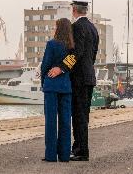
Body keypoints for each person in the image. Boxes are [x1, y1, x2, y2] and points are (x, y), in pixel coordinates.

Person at [48, 0, 99, 161]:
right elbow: (92, 55)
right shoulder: (93, 28)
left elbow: (76, 53)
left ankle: (81, 151)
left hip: (79, 79)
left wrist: (61, 68)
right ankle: (80, 149)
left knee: (78, 116)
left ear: (74, 10)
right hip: (89, 77)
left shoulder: (76, 27)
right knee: (83, 115)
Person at [41, 18, 74, 162]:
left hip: (51, 87)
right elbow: (71, 65)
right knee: (66, 121)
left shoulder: (51, 44)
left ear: (58, 28)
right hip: (65, 87)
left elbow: (45, 65)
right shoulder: (72, 47)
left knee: (51, 121)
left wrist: (44, 81)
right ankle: (65, 155)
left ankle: (50, 155)